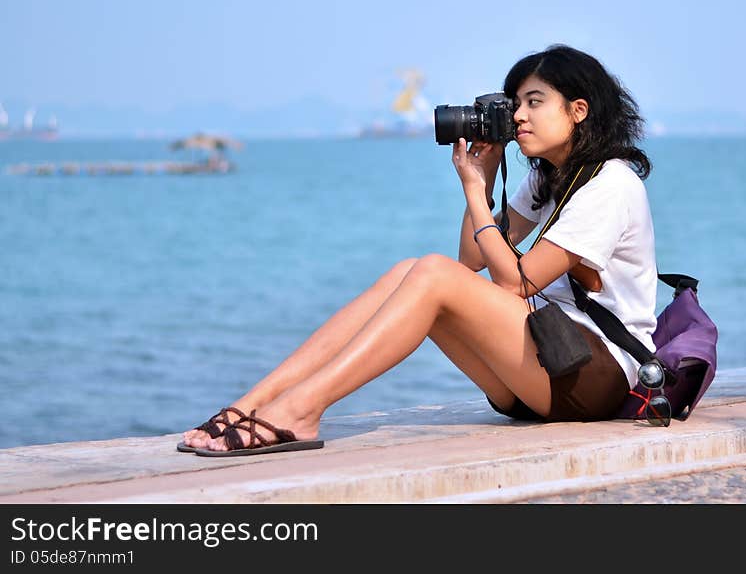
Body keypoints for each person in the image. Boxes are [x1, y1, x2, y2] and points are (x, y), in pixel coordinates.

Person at [178, 43, 657, 456]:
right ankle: (252, 404)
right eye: (515, 104)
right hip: (544, 365)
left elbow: (516, 281)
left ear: (578, 110)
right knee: (412, 270)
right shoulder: (548, 177)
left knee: (430, 272)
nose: (518, 117)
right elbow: (470, 260)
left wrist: (472, 193)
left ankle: (301, 411)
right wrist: (484, 184)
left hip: (594, 376)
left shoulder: (610, 182)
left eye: (534, 102)